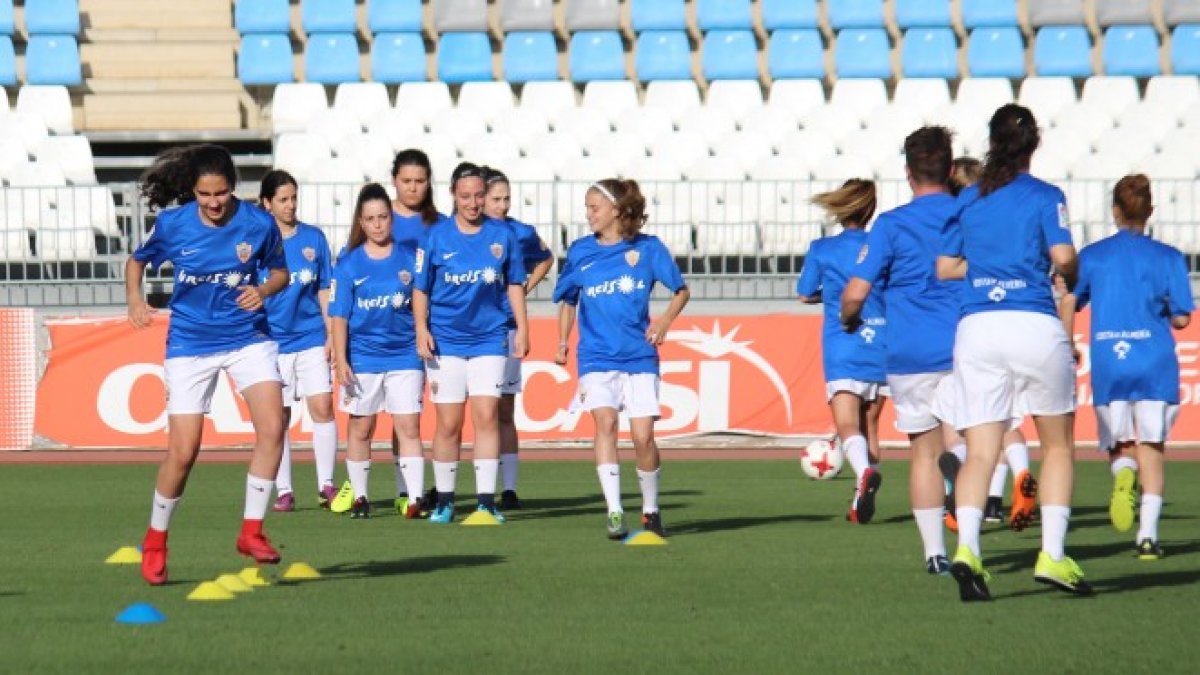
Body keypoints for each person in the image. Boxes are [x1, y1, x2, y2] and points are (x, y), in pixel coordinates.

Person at [938, 104, 1091, 601]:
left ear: (991, 141)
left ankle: (968, 551)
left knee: (980, 450)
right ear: (1034, 144)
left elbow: (945, 266)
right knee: (1058, 446)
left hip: (978, 326)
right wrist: (1066, 276)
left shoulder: (968, 199)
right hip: (1032, 321)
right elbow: (1064, 257)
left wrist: (987, 269)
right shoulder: (1046, 196)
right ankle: (1051, 553)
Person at [126, 144, 288, 585]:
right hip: (191, 343)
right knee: (184, 451)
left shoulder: (258, 223)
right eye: (204, 195)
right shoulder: (174, 225)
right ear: (193, 191)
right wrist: (135, 300)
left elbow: (280, 272)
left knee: (273, 427)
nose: (213, 203)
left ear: (233, 188)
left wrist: (265, 291)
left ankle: (252, 531)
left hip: (247, 338)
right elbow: (136, 261)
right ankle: (156, 540)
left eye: (220, 194)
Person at [841, 126, 961, 576]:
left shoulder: (891, 224)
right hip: (962, 346)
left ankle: (934, 554)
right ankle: (964, 481)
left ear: (908, 173)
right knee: (965, 438)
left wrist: (849, 317)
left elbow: (855, 293)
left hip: (908, 352)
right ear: (950, 169)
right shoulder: (969, 214)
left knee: (922, 453)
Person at [1063, 174, 1194, 560]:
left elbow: (1073, 297)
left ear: (1115, 211)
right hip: (1154, 361)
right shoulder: (1169, 257)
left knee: (1120, 442)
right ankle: (1148, 537)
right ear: (1149, 211)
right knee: (1152, 448)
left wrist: (1068, 339)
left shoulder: (1094, 255)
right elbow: (1184, 318)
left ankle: (1122, 471)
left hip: (1108, 358)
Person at [553, 179, 690, 539]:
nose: (588, 214)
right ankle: (614, 511)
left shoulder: (647, 249)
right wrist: (562, 342)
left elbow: (680, 290)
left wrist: (663, 321)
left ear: (616, 209)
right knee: (606, 424)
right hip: (596, 356)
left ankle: (650, 510)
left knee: (643, 437)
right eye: (586, 207)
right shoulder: (581, 252)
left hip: (639, 356)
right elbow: (568, 299)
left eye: (594, 207)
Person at [413, 162, 531, 524]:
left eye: (479, 195)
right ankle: (446, 501)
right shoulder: (435, 237)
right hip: (445, 341)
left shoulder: (503, 235)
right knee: (448, 423)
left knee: (486, 417)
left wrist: (522, 329)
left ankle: (486, 502)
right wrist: (421, 328)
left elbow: (514, 284)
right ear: (453, 195)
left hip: (490, 339)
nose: (474, 202)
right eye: (466, 196)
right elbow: (420, 288)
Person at [940, 156, 1036, 530]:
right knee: (1005, 415)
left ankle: (966, 494)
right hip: (1006, 323)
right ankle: (1011, 482)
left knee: (966, 426)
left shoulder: (954, 222)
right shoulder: (999, 222)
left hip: (960, 334)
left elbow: (942, 269)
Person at [328, 183, 426, 519]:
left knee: (408, 427)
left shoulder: (410, 258)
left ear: (391, 219)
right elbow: (338, 315)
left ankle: (413, 498)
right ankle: (360, 497)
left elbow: (421, 303)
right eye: (370, 219)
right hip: (364, 358)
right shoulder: (348, 263)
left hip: (404, 356)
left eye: (383, 217)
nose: (378, 224)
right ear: (361, 222)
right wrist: (341, 360)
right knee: (361, 428)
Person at [795, 179, 889, 524]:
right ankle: (859, 502)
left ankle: (863, 474)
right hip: (881, 340)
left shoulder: (822, 249)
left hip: (843, 342)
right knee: (871, 427)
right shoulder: (883, 245)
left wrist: (830, 296)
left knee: (847, 423)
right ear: (870, 210)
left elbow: (805, 293)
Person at [256, 170, 338, 512]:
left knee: (322, 407)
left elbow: (323, 289)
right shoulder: (258, 243)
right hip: (272, 342)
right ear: (267, 203)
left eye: (293, 198)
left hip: (310, 337)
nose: (290, 205)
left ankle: (327, 485)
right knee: (280, 417)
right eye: (283, 200)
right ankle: (285, 490)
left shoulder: (313, 239)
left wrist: (331, 333)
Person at [480, 166, 554, 510]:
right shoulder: (465, 232)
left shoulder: (519, 232)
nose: (502, 205)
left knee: (504, 409)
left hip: (506, 326)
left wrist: (524, 287)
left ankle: (508, 488)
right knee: (472, 411)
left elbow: (546, 257)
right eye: (496, 198)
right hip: (468, 332)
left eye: (506, 198)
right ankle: (457, 486)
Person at [387, 149, 441, 514]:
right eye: (406, 181)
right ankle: (404, 487)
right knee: (403, 414)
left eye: (420, 181)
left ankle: (439, 484)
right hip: (390, 331)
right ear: (394, 181)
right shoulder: (380, 218)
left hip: (438, 328)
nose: (413, 187)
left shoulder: (439, 224)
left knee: (443, 411)